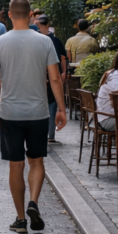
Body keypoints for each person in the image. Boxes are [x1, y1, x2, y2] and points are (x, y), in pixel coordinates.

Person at [0, 0, 66, 234]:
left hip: (10, 112)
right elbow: (54, 78)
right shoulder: (44, 42)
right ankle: (33, 201)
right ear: (31, 14)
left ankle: (20, 218)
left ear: (9, 15)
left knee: (15, 165)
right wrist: (61, 109)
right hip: (38, 112)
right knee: (37, 161)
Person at [34, 16, 68, 146]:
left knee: (42, 102)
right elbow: (63, 58)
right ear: (48, 24)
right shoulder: (54, 40)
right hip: (52, 75)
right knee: (52, 103)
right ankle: (51, 135)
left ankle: (40, 133)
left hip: (39, 76)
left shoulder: (35, 40)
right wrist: (63, 72)